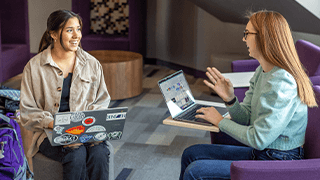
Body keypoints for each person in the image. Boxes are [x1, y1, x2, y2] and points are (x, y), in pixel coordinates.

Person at [179, 10, 318, 180]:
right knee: (191, 153)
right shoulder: (263, 70)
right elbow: (248, 117)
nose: (244, 39)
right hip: (265, 152)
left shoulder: (282, 83)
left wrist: (220, 121)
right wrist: (230, 99)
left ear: (264, 38)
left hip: (280, 159)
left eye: (247, 34)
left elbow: (259, 139)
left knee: (195, 171)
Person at [20, 10, 111, 180]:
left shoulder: (92, 64)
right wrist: (53, 123)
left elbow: (102, 100)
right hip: (49, 131)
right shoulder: (34, 68)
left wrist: (89, 122)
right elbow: (27, 111)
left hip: (85, 128)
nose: (76, 35)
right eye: (69, 30)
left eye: (78, 29)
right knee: (76, 154)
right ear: (53, 34)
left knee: (99, 153)